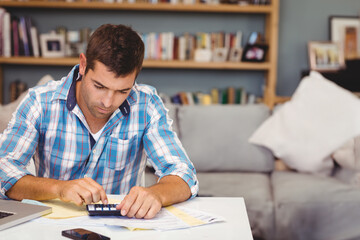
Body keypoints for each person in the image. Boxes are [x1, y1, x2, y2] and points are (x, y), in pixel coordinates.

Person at [0, 24, 198, 219]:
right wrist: (59, 188)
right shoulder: (39, 102)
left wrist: (157, 194)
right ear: (84, 65)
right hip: (54, 226)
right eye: (99, 86)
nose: (108, 102)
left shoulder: (146, 104)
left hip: (122, 226)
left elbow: (183, 173)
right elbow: (3, 170)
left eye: (122, 91)